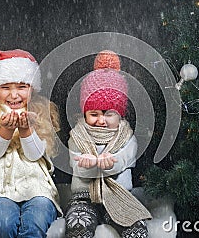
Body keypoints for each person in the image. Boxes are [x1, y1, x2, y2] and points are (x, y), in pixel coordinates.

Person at [0, 49, 62, 238]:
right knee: (3, 223)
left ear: (32, 88)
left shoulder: (40, 114)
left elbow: (34, 155)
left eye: (22, 87)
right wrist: (5, 130)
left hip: (37, 191)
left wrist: (26, 131)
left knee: (35, 222)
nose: (14, 95)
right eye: (6, 87)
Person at [65, 51, 152, 238]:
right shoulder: (77, 136)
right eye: (94, 114)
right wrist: (87, 163)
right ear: (84, 113)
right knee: (78, 225)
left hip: (119, 196)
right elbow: (79, 168)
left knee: (137, 229)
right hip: (83, 198)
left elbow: (125, 160)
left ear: (120, 114)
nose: (101, 121)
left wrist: (109, 162)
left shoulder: (127, 137)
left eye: (109, 114)